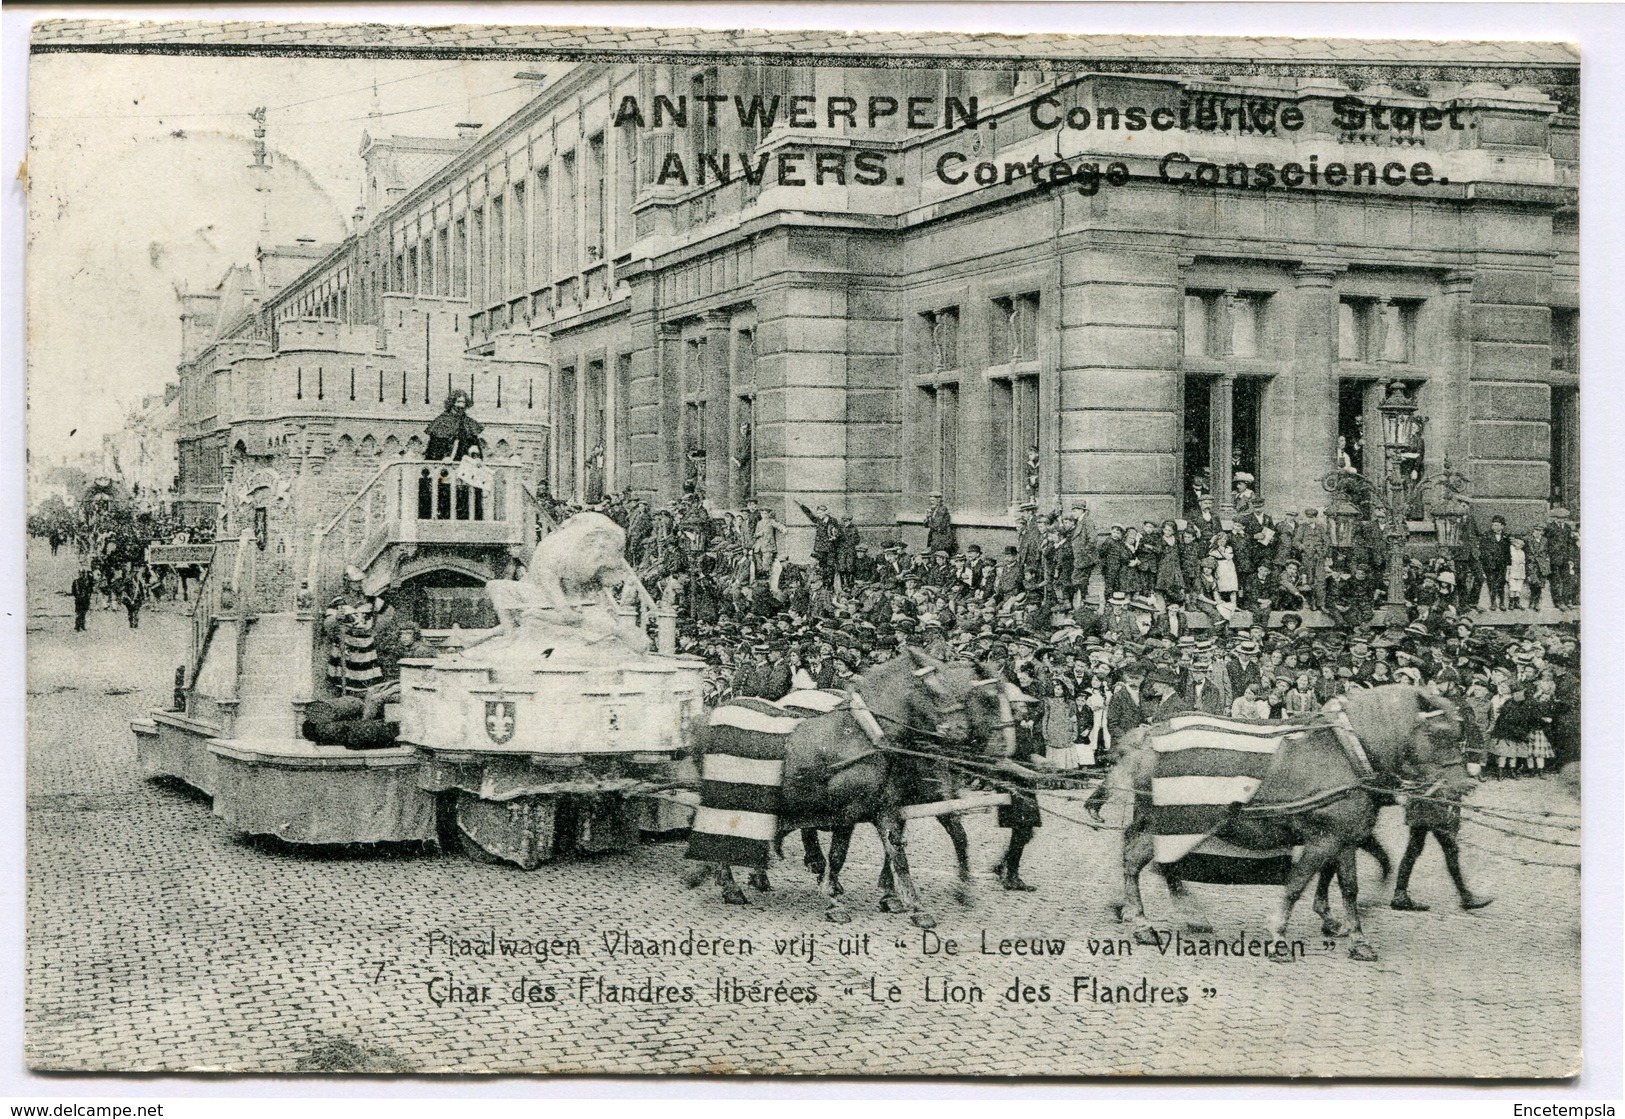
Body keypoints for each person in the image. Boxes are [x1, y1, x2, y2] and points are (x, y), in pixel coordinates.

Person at [1390, 772, 1493, 912]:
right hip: (1430, 807)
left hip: (1421, 805)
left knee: (1414, 849)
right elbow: (1436, 779)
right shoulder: (1430, 756)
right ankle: (1466, 896)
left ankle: (1400, 894)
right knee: (1450, 848)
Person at [324, 566, 386, 696]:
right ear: (348, 582)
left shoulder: (370, 599)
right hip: (346, 644)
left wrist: (375, 631)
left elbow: (388, 612)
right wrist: (336, 618)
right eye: (355, 582)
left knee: (368, 681)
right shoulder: (338, 601)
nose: (358, 584)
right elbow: (327, 624)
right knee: (346, 681)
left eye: (359, 582)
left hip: (366, 646)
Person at [424, 390, 484, 461]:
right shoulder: (441, 421)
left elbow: (473, 443)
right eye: (458, 402)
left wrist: (476, 457)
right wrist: (445, 456)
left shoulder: (468, 422)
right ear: (452, 403)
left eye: (463, 402)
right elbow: (435, 446)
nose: (461, 405)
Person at [1479, 515, 1512, 610]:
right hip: (1490, 564)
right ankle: (1493, 603)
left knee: (1501, 583)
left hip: (1502, 565)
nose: (1494, 527)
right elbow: (1483, 550)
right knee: (1492, 583)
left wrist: (1508, 564)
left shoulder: (1506, 537)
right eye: (1493, 525)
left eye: (1497, 525)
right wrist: (1488, 561)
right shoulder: (1486, 536)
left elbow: (1507, 551)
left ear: (1502, 526)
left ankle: (1502, 602)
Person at [924, 492, 956, 556]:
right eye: (930, 500)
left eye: (933, 500)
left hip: (942, 540)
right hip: (934, 539)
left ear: (938, 500)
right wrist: (927, 517)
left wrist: (930, 519)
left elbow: (936, 525)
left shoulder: (942, 510)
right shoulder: (933, 510)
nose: (931, 502)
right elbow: (925, 525)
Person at [70, 566, 95, 632]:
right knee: (79, 612)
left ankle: (82, 625)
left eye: (83, 573)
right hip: (79, 599)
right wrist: (77, 596)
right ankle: (77, 626)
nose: (82, 575)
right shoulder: (76, 582)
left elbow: (91, 588)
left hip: (85, 599)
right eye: (81, 573)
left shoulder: (87, 581)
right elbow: (73, 591)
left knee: (83, 612)